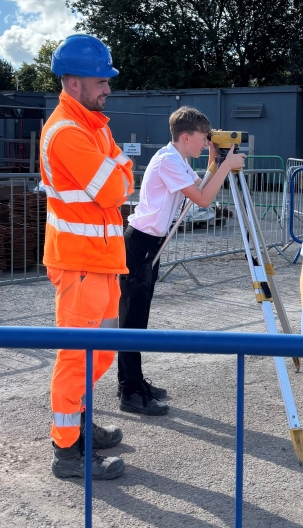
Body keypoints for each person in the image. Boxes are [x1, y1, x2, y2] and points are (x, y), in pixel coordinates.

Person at [40, 34, 133, 480]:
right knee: (77, 358)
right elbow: (116, 187)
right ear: (73, 83)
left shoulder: (94, 126)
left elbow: (119, 179)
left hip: (99, 263)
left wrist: (116, 170)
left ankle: (77, 421)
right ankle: (68, 453)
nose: (107, 90)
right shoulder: (68, 132)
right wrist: (116, 170)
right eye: (101, 81)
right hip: (80, 264)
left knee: (100, 354)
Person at [118, 106, 246, 415]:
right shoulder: (169, 161)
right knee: (132, 319)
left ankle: (133, 380)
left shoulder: (179, 160)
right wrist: (226, 167)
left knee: (139, 317)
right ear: (185, 137)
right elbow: (203, 199)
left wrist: (217, 162)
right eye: (204, 138)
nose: (206, 143)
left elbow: (202, 189)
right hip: (141, 243)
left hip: (151, 243)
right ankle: (129, 391)